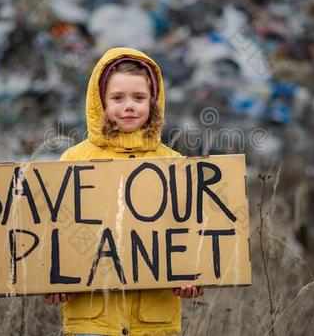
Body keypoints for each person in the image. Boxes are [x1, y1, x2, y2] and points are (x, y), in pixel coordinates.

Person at [45, 47, 203, 336]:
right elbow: (58, 230)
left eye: (139, 97)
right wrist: (53, 281)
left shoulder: (175, 166)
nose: (129, 106)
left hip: (154, 323)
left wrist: (192, 276)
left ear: (153, 102)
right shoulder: (74, 161)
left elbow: (188, 234)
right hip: (91, 320)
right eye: (117, 98)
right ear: (99, 102)